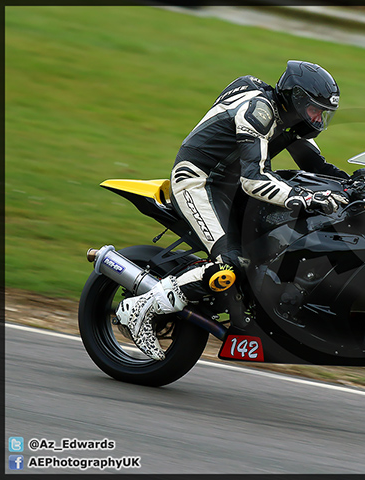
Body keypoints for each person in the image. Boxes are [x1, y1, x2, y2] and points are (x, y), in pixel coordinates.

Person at [116, 60, 350, 361]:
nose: (318, 118)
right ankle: (140, 309)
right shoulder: (259, 113)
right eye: (315, 109)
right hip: (198, 182)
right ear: (297, 98)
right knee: (231, 264)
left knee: (275, 245)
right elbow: (254, 180)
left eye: (323, 112)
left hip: (228, 189)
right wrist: (304, 197)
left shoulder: (292, 121)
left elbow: (316, 165)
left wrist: (354, 185)